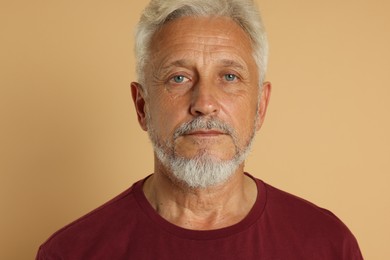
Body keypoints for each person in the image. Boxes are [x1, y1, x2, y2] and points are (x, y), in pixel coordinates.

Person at [36, 0, 363, 259]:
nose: (205, 103)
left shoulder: (328, 245)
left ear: (260, 106)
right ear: (142, 106)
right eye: (178, 78)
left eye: (229, 77)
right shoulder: (71, 253)